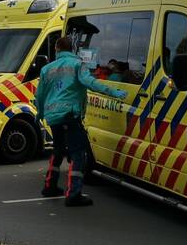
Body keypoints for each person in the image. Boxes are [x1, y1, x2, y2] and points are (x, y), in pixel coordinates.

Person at [35, 36, 127, 207]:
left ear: (57, 49)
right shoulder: (78, 64)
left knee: (58, 149)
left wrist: (39, 112)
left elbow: (39, 94)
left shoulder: (46, 69)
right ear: (72, 50)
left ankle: (49, 186)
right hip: (70, 115)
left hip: (53, 116)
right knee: (78, 153)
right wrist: (113, 92)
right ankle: (73, 194)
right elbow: (89, 82)